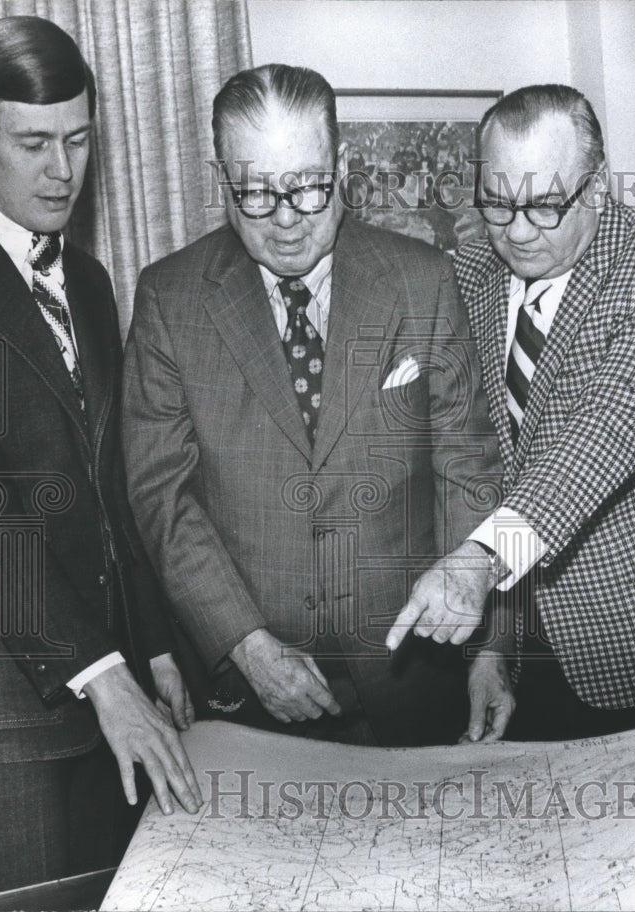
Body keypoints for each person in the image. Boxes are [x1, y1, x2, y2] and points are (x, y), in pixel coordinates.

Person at [122, 64, 502, 748]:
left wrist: (488, 650)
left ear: (343, 164)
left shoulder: (423, 282)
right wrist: (244, 643)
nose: (289, 220)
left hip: (412, 673)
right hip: (251, 691)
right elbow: (162, 498)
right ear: (222, 182)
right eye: (259, 194)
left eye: (309, 186)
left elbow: (466, 465)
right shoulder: (169, 301)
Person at [389, 84, 635, 742]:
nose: (519, 232)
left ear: (596, 189)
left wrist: (476, 563)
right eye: (498, 205)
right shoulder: (470, 271)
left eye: (545, 205)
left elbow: (603, 438)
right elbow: (488, 466)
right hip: (536, 643)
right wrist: (494, 650)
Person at [0, 16, 202, 900]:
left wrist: (152, 647)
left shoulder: (87, 278)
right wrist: (100, 672)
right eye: (34, 142)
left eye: (80, 140)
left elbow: (110, 480)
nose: (63, 171)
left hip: (113, 691)